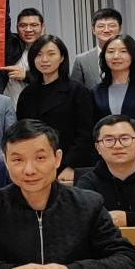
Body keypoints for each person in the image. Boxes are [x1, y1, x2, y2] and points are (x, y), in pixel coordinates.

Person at [0, 120, 135, 269]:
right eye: (18, 160)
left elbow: (128, 260)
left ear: (57, 158)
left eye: (40, 158)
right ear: (5, 161)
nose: (29, 170)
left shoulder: (87, 204)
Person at [15, 34, 94, 182]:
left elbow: (85, 134)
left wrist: (69, 166)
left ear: (62, 57)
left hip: (68, 168)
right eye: (39, 55)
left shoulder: (77, 91)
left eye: (51, 54)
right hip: (35, 166)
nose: (44, 60)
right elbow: (22, 132)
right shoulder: (27, 94)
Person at [75, 115, 135, 228]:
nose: (118, 146)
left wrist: (129, 218)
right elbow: (81, 220)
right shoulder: (87, 183)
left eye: (125, 139)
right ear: (98, 148)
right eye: (109, 140)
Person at [91, 34, 135, 164]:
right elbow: (93, 129)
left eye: (123, 51)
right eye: (110, 52)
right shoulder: (96, 91)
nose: (116, 56)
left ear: (132, 55)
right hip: (106, 160)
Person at [71, 8, 135, 89]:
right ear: (93, 30)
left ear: (120, 29)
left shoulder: (132, 55)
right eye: (101, 26)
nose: (106, 30)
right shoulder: (81, 60)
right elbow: (75, 91)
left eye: (112, 26)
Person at [0, 7, 45, 101]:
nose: (28, 29)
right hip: (10, 107)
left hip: (41, 106)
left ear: (42, 26)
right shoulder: (11, 45)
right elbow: (3, 19)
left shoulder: (50, 48)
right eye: (23, 25)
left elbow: (56, 79)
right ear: (17, 27)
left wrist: (26, 75)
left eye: (34, 25)